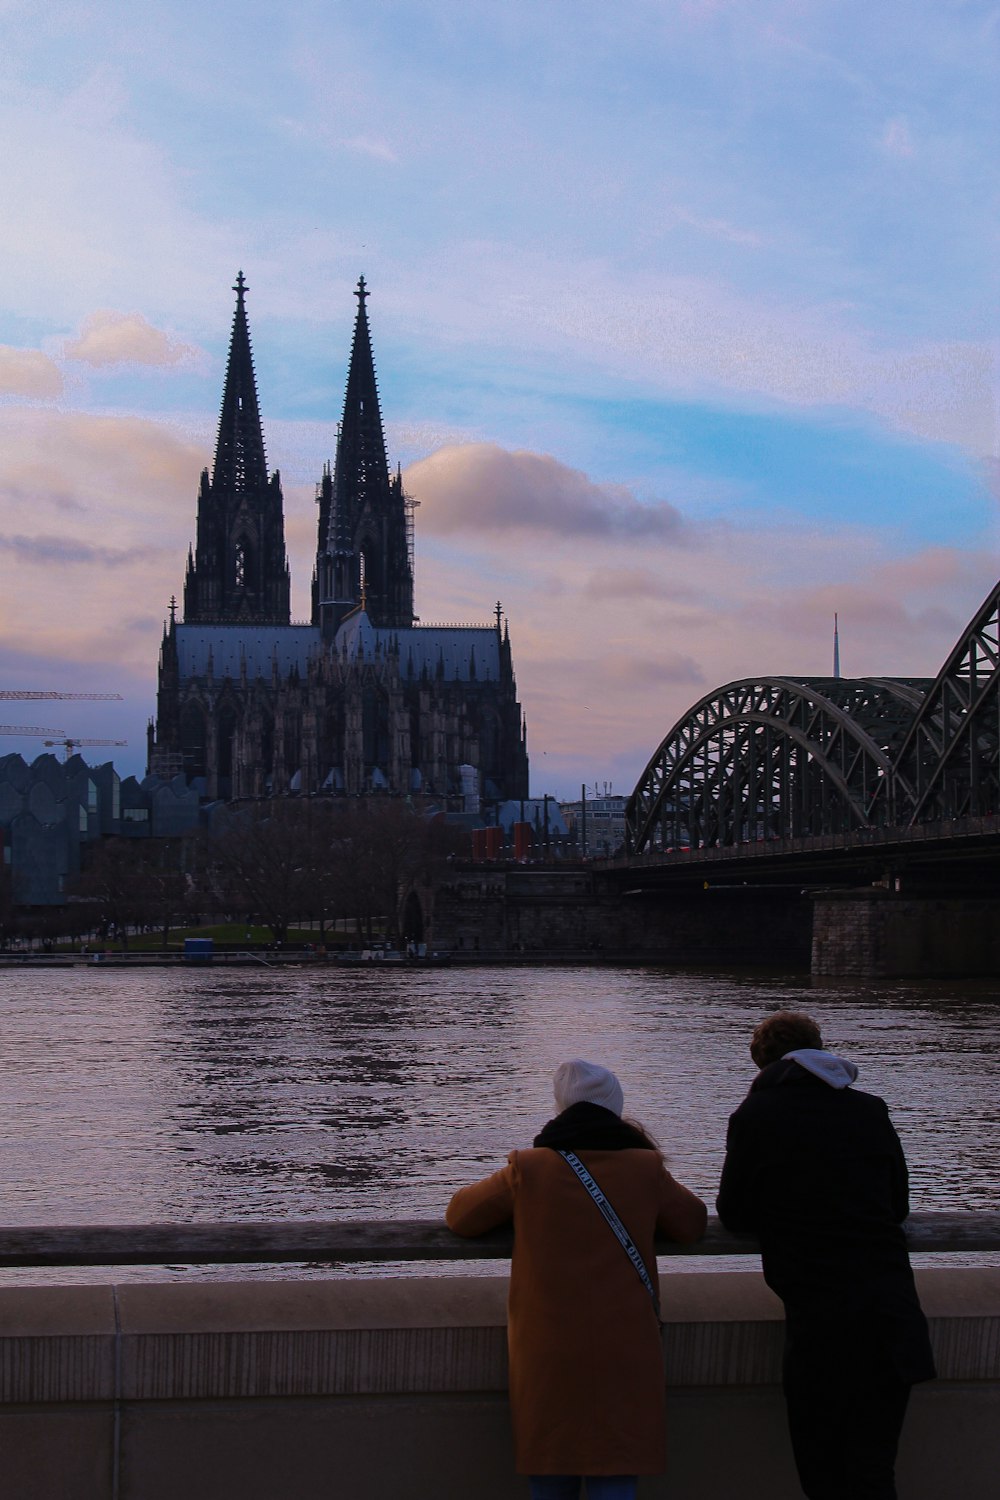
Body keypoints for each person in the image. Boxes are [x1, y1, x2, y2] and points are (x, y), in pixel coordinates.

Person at [446, 1059, 707, 1500]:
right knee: (616, 1470)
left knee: (550, 1469)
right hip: (626, 1345)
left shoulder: (528, 1168)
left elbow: (461, 1216)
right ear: (615, 1109)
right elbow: (692, 1223)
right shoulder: (645, 1168)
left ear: (560, 1107)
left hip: (549, 1344)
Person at [716, 1010, 936, 1500]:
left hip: (821, 1321)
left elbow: (734, 1211)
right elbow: (897, 1203)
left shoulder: (756, 1116)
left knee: (823, 1473)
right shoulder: (870, 1109)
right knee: (874, 1470)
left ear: (763, 1064)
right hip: (890, 1315)